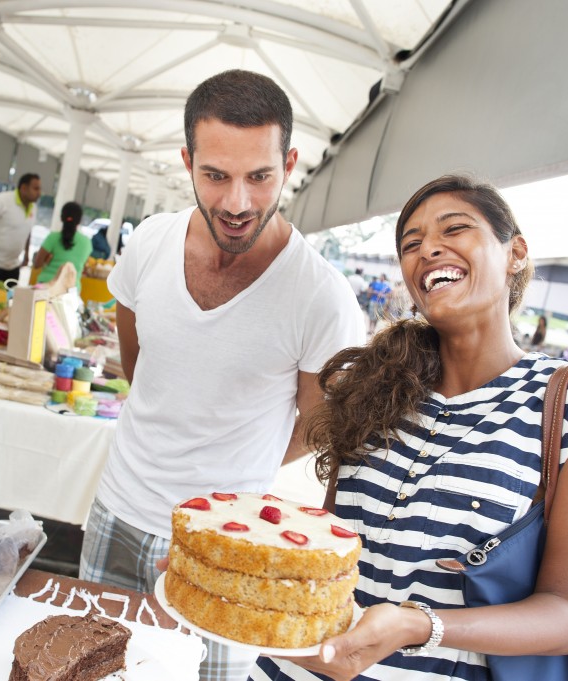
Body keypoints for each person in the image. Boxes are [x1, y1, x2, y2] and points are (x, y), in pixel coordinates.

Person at [251, 175, 568, 681]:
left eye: (454, 229)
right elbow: (335, 547)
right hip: (295, 669)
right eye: (411, 244)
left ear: (516, 253)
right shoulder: (377, 386)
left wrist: (420, 625)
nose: (428, 249)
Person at [79, 69, 364, 681]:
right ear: (187, 161)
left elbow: (317, 427)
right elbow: (140, 366)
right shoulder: (149, 243)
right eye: (215, 175)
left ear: (288, 164)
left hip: (228, 549)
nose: (237, 203)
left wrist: (231, 476)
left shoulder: (321, 296)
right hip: (115, 511)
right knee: (90, 669)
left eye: (259, 177)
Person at [0, 172, 41, 283]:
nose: (39, 193)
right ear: (23, 188)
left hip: (12, 267)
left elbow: (27, 231)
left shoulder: (33, 208)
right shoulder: (2, 201)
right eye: (35, 188)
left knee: (7, 299)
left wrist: (26, 254)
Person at [32, 201, 92, 290]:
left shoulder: (52, 238)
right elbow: (83, 267)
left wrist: (46, 259)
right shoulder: (87, 243)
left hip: (46, 287)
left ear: (61, 218)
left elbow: (37, 264)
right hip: (71, 290)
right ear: (79, 220)